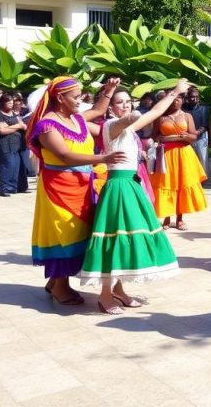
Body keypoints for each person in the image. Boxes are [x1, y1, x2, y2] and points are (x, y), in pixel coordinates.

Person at [79, 82, 185, 314]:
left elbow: (155, 112)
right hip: (118, 187)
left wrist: (176, 92)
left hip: (130, 185)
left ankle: (119, 289)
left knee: (128, 236)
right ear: (110, 107)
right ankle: (105, 295)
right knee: (115, 238)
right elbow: (133, 118)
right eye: (120, 102)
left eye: (128, 101)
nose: (125, 106)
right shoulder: (111, 126)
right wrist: (134, 112)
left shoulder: (127, 127)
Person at [27, 76, 124, 306]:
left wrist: (109, 89)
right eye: (76, 97)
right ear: (60, 98)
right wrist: (103, 157)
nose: (80, 101)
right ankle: (60, 286)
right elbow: (64, 155)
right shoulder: (47, 125)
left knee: (80, 234)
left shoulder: (76, 118)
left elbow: (100, 109)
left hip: (82, 185)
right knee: (64, 234)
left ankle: (55, 282)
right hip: (58, 187)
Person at [151, 92, 208, 230]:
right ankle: (166, 218)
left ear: (182, 101)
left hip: (184, 154)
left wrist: (187, 136)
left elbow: (193, 137)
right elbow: (154, 136)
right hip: (167, 154)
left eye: (179, 99)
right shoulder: (161, 117)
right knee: (167, 184)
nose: (176, 101)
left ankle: (180, 219)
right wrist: (165, 139)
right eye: (174, 99)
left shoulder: (187, 116)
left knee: (182, 184)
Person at [0, 94, 29, 197]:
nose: (11, 104)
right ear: (2, 103)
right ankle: (4, 189)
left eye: (12, 102)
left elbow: (23, 126)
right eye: (8, 102)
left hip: (16, 144)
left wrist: (14, 126)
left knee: (16, 166)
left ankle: (14, 187)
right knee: (7, 166)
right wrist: (17, 126)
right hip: (3, 144)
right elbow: (1, 130)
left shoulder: (14, 114)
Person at [182, 86, 211, 178]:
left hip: (201, 137)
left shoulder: (204, 108)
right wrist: (188, 135)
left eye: (197, 97)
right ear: (187, 98)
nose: (195, 99)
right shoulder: (183, 109)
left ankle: (202, 179)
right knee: (188, 159)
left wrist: (197, 132)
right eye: (192, 97)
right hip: (186, 137)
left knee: (202, 159)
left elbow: (205, 125)